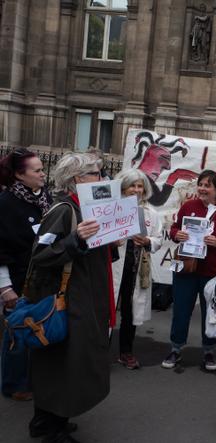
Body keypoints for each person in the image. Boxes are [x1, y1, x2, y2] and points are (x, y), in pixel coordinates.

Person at [23, 152, 111, 442]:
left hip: (85, 295)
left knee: (65, 360)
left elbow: (95, 252)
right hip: (69, 299)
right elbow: (41, 254)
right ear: (78, 180)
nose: (102, 178)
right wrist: (76, 240)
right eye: (96, 174)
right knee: (65, 361)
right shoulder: (64, 210)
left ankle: (46, 420)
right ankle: (53, 427)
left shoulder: (88, 207)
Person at [162, 170, 216, 371]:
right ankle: (176, 349)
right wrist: (176, 234)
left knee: (210, 313)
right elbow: (173, 230)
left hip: (211, 273)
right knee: (181, 311)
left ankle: (209, 351)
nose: (203, 189)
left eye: (208, 185)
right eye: (201, 184)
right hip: (185, 269)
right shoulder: (188, 206)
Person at [0, 148, 50, 402]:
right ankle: (13, 384)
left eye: (43, 169)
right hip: (16, 281)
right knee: (16, 334)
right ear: (20, 175)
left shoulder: (43, 198)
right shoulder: (6, 204)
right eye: (37, 170)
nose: (43, 174)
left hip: (40, 279)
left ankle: (32, 379)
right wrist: (5, 288)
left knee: (35, 330)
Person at [111, 169, 163, 369]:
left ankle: (126, 352)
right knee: (106, 309)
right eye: (132, 185)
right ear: (123, 187)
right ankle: (98, 351)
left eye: (140, 186)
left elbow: (158, 239)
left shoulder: (151, 213)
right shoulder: (112, 208)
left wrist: (147, 240)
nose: (136, 190)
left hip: (136, 268)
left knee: (130, 312)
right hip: (114, 266)